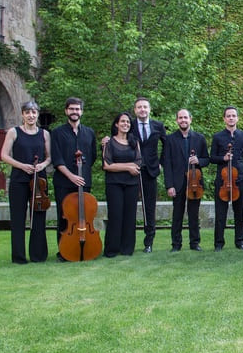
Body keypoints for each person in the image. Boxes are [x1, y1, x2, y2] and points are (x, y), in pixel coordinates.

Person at [0, 100, 51, 263]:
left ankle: (38, 255)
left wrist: (42, 164)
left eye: (34, 112)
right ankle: (19, 256)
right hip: (19, 179)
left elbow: (49, 157)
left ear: (37, 114)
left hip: (39, 180)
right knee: (18, 218)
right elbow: (4, 155)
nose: (31, 115)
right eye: (27, 112)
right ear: (22, 114)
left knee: (39, 217)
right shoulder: (14, 132)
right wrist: (22, 166)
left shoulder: (44, 134)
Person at [51, 97, 97, 260]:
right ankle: (64, 252)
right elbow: (57, 159)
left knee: (83, 217)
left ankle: (84, 247)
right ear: (66, 111)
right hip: (64, 182)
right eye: (71, 109)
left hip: (84, 181)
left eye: (77, 109)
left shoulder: (89, 132)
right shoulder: (56, 133)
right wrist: (71, 176)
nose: (74, 112)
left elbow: (92, 157)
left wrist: (81, 174)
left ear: (81, 112)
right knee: (65, 218)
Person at [162, 109, 209, 252]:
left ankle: (195, 243)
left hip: (195, 182)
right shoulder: (170, 139)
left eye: (185, 118)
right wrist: (169, 185)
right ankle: (176, 245)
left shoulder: (199, 138)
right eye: (180, 118)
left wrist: (198, 160)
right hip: (177, 183)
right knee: (177, 214)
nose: (183, 120)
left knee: (194, 214)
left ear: (190, 119)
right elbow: (167, 164)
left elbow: (207, 159)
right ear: (177, 120)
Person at [102, 112, 142, 257]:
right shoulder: (109, 142)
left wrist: (124, 166)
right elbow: (107, 165)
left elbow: (138, 163)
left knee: (130, 216)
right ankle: (112, 249)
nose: (126, 124)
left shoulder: (134, 142)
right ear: (116, 124)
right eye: (123, 122)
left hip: (131, 184)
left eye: (128, 122)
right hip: (114, 184)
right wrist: (128, 167)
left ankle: (127, 249)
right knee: (115, 215)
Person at [210, 106, 243, 251]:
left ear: (237, 118)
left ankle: (240, 241)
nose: (231, 118)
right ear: (224, 119)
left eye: (233, 115)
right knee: (221, 214)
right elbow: (212, 158)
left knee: (239, 213)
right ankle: (218, 243)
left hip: (239, 180)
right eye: (228, 116)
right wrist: (223, 158)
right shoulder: (218, 137)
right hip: (222, 181)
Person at [132, 97, 167, 253]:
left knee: (149, 208)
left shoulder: (158, 126)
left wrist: (161, 163)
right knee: (130, 207)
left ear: (149, 109)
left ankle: (149, 243)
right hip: (132, 170)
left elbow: (167, 145)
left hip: (151, 171)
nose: (142, 110)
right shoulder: (128, 125)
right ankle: (127, 242)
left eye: (145, 107)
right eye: (139, 107)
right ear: (135, 110)